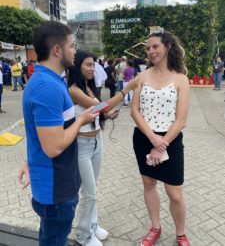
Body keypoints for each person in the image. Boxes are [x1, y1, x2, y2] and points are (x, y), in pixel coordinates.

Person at [19, 21, 97, 246]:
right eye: (72, 45)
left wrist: (28, 160)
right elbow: (52, 147)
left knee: (52, 238)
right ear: (57, 50)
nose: (75, 51)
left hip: (56, 185)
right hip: (55, 190)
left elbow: (42, 133)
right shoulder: (47, 88)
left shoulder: (51, 81)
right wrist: (82, 119)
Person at [68, 50, 138, 246]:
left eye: (93, 65)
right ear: (77, 66)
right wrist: (126, 90)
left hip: (97, 142)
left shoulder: (89, 87)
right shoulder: (74, 90)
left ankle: (92, 224)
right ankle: (83, 235)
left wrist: (106, 116)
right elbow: (100, 107)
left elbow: (95, 112)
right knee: (89, 193)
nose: (92, 68)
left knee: (93, 189)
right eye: (88, 65)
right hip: (81, 145)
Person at [131, 27, 191, 246]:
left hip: (171, 141)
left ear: (168, 47)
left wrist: (162, 143)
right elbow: (134, 111)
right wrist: (152, 138)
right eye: (148, 48)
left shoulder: (181, 79)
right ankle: (155, 227)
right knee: (148, 184)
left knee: (174, 192)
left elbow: (181, 120)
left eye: (155, 46)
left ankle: (181, 233)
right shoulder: (142, 76)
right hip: (143, 138)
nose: (151, 51)